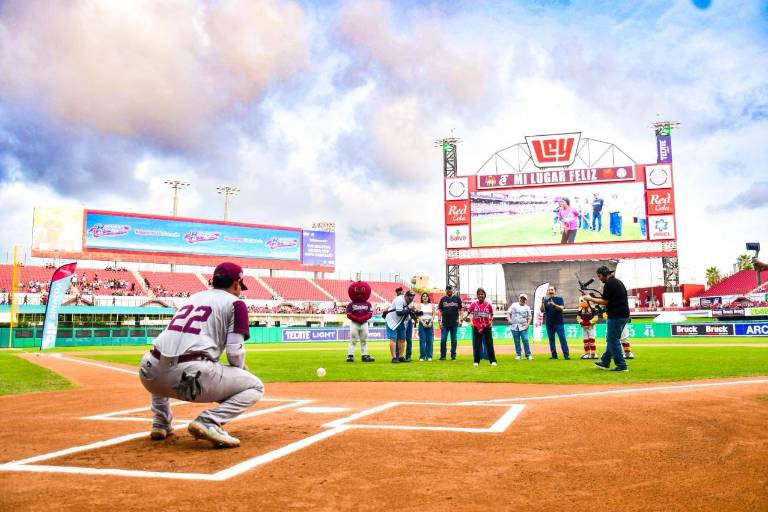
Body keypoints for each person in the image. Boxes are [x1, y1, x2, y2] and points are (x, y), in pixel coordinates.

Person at [138, 262, 264, 448]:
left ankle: (160, 423)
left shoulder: (193, 297)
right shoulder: (236, 304)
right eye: (240, 287)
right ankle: (209, 420)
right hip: (189, 377)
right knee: (255, 386)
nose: (240, 291)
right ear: (236, 283)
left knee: (164, 359)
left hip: (149, 372)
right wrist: (240, 375)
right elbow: (234, 351)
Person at [583, 266, 630, 372]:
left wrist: (591, 299)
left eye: (599, 276)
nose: (599, 278)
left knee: (613, 340)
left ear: (604, 273)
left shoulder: (610, 284)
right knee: (611, 339)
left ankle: (621, 365)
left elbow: (605, 301)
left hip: (616, 315)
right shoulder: (617, 282)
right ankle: (605, 361)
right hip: (623, 314)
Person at [465, 288, 497, 366]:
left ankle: (493, 361)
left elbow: (492, 314)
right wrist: (468, 320)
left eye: (482, 294)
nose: (480, 295)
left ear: (484, 295)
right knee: (476, 344)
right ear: (477, 296)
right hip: (476, 327)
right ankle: (476, 361)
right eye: (479, 294)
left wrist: (490, 321)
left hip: (487, 327)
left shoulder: (488, 305)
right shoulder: (473, 304)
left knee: (489, 343)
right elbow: (468, 313)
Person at [345, 281, 375, 363]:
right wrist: (358, 319)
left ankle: (364, 355)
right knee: (353, 340)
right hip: (354, 323)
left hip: (364, 324)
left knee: (364, 340)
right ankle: (350, 355)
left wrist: (362, 319)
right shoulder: (351, 304)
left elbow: (370, 314)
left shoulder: (368, 304)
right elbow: (349, 314)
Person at [384, 289, 416, 363]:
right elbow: (399, 312)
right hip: (392, 320)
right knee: (393, 339)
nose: (411, 299)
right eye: (410, 297)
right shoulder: (399, 300)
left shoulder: (410, 301)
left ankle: (401, 356)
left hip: (400, 321)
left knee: (402, 339)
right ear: (406, 296)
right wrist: (410, 310)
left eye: (412, 297)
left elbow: (410, 312)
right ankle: (394, 357)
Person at [541, 285, 569, 359]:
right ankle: (554, 355)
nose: (550, 291)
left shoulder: (559, 299)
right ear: (547, 292)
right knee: (551, 340)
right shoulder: (546, 300)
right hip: (549, 323)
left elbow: (561, 308)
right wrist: (542, 303)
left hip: (558, 322)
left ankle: (566, 355)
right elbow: (542, 310)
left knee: (562, 338)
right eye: (549, 290)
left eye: (552, 290)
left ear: (555, 291)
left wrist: (554, 305)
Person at [437, 285, 463, 360]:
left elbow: (461, 309)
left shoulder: (457, 299)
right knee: (443, 340)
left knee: (454, 340)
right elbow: (440, 311)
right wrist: (439, 321)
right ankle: (443, 356)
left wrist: (461, 319)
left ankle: (453, 356)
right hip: (444, 323)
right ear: (445, 290)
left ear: (452, 290)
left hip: (454, 323)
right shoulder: (443, 299)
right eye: (447, 289)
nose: (449, 290)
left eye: (450, 289)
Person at [506, 293, 532, 360]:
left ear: (526, 300)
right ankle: (518, 355)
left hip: (523, 326)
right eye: (521, 298)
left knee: (525, 340)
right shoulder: (514, 305)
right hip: (514, 326)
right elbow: (508, 312)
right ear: (519, 298)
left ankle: (528, 355)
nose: (522, 300)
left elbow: (529, 317)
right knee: (516, 341)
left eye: (524, 299)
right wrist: (509, 319)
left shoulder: (527, 307)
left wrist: (527, 325)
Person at [416, 292, 435, 361]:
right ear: (421, 298)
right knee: (422, 340)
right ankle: (422, 356)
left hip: (430, 323)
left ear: (428, 298)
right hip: (422, 323)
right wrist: (423, 323)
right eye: (423, 296)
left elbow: (433, 315)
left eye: (426, 296)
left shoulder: (432, 305)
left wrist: (430, 322)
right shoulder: (419, 305)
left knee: (429, 340)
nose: (425, 297)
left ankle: (429, 356)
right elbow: (418, 315)